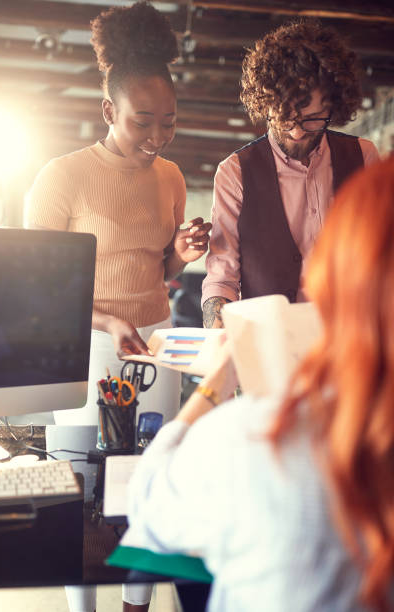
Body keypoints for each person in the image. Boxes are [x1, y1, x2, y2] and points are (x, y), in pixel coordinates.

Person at [122, 156, 394, 611]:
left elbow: (148, 508)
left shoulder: (255, 439)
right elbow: (221, 270)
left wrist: (214, 387)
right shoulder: (236, 170)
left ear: (334, 280)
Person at [24, 2, 211, 611]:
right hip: (83, 345)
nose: (156, 138)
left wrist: (181, 252)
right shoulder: (62, 177)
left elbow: (162, 269)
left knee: (146, 486)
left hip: (155, 343)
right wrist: (106, 319)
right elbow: (40, 289)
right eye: (142, 122)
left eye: (169, 123)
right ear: (108, 111)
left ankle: (136, 607)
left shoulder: (173, 177)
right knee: (80, 490)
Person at [201, 19, 380, 329]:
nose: (297, 132)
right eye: (285, 119)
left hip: (350, 337)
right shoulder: (235, 173)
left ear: (333, 105)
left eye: (312, 119)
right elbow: (222, 274)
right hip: (270, 342)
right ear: (265, 104)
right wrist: (217, 328)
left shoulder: (364, 158)